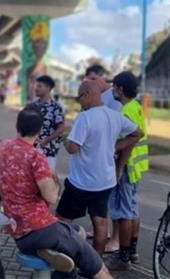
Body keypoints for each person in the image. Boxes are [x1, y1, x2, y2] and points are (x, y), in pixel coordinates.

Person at [0, 107, 113, 279]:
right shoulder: (36, 157)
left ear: (17, 126)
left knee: (78, 231)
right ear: (40, 130)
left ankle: (58, 260)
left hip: (18, 232)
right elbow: (51, 196)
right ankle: (53, 252)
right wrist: (54, 179)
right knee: (96, 265)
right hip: (39, 229)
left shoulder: (3, 147)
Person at [56, 80, 143, 256]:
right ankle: (97, 263)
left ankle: (63, 258)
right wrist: (117, 146)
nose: (78, 102)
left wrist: (65, 139)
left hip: (81, 182)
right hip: (105, 181)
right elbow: (137, 133)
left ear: (87, 94)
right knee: (100, 222)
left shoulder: (84, 117)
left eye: (79, 97)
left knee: (62, 220)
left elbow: (73, 148)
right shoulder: (115, 115)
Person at [106, 72, 149, 270]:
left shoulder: (125, 112)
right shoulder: (136, 107)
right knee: (132, 209)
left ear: (121, 89)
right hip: (137, 168)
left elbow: (130, 143)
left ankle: (122, 258)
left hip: (128, 167)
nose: (112, 90)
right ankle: (132, 251)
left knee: (123, 213)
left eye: (114, 87)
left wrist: (119, 167)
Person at [30, 75, 65, 171]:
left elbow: (61, 128)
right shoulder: (32, 106)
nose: (36, 88)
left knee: (47, 180)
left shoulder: (56, 107)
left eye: (39, 86)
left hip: (48, 152)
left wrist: (46, 140)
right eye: (36, 86)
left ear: (48, 88)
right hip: (31, 151)